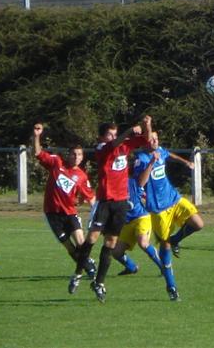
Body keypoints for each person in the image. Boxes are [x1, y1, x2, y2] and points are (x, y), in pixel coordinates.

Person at [70, 116, 152, 302]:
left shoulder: (125, 146)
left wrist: (147, 125)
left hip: (121, 202)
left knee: (110, 244)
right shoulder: (102, 149)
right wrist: (129, 131)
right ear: (101, 138)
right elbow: (115, 143)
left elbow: (146, 141)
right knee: (91, 239)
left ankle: (99, 283)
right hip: (105, 201)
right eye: (109, 134)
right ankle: (77, 274)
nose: (112, 137)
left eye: (114, 133)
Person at [134, 131, 205, 301]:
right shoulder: (141, 158)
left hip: (174, 199)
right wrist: (151, 162)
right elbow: (140, 183)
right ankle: (171, 286)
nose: (156, 142)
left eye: (157, 139)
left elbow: (168, 154)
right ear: (145, 142)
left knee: (198, 223)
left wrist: (185, 162)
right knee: (164, 247)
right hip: (158, 210)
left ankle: (176, 240)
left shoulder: (160, 151)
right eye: (152, 139)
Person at [32, 124, 97, 289]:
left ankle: (84, 270)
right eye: (74, 154)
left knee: (81, 242)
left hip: (70, 213)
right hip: (52, 214)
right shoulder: (56, 163)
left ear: (82, 157)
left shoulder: (81, 176)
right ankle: (86, 266)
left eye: (79, 154)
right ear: (68, 155)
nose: (76, 157)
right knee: (69, 247)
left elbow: (91, 197)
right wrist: (37, 136)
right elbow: (38, 153)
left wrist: (96, 215)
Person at [112, 176, 164, 276]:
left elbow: (144, 194)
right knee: (116, 252)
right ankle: (131, 267)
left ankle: (164, 267)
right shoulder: (111, 186)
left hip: (141, 217)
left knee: (143, 243)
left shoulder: (133, 182)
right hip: (127, 222)